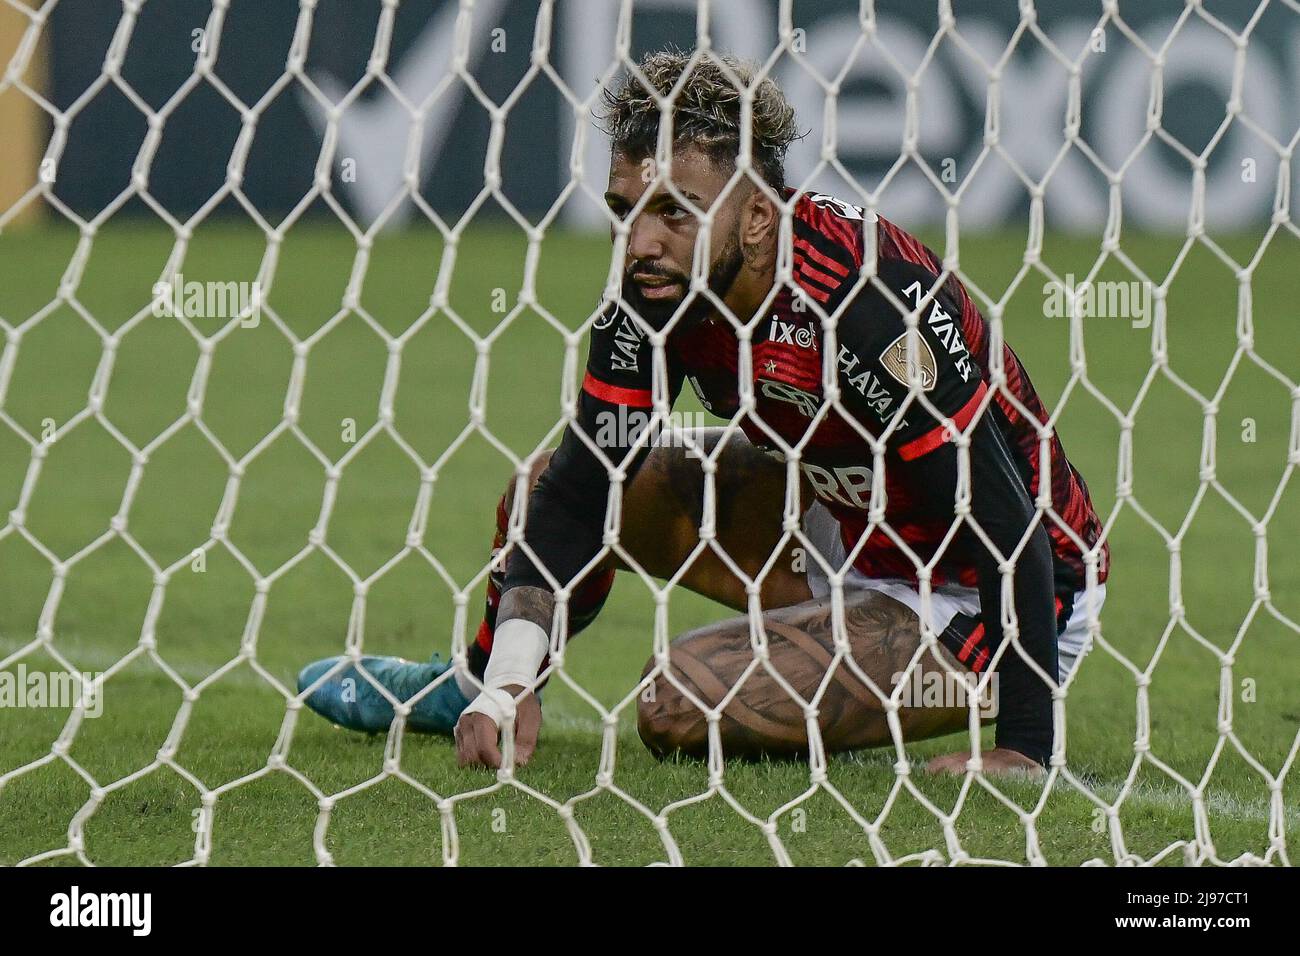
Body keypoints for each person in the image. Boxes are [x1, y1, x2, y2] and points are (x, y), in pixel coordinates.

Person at [298, 50, 1109, 777]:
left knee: (679, 705)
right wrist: (515, 674)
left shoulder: (863, 302)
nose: (640, 243)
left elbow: (1005, 518)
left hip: (988, 591)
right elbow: (584, 491)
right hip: (842, 519)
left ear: (757, 216)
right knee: (543, 485)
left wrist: (1023, 747)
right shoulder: (657, 298)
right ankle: (479, 689)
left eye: (672, 211)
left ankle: (953, 686)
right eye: (625, 212)